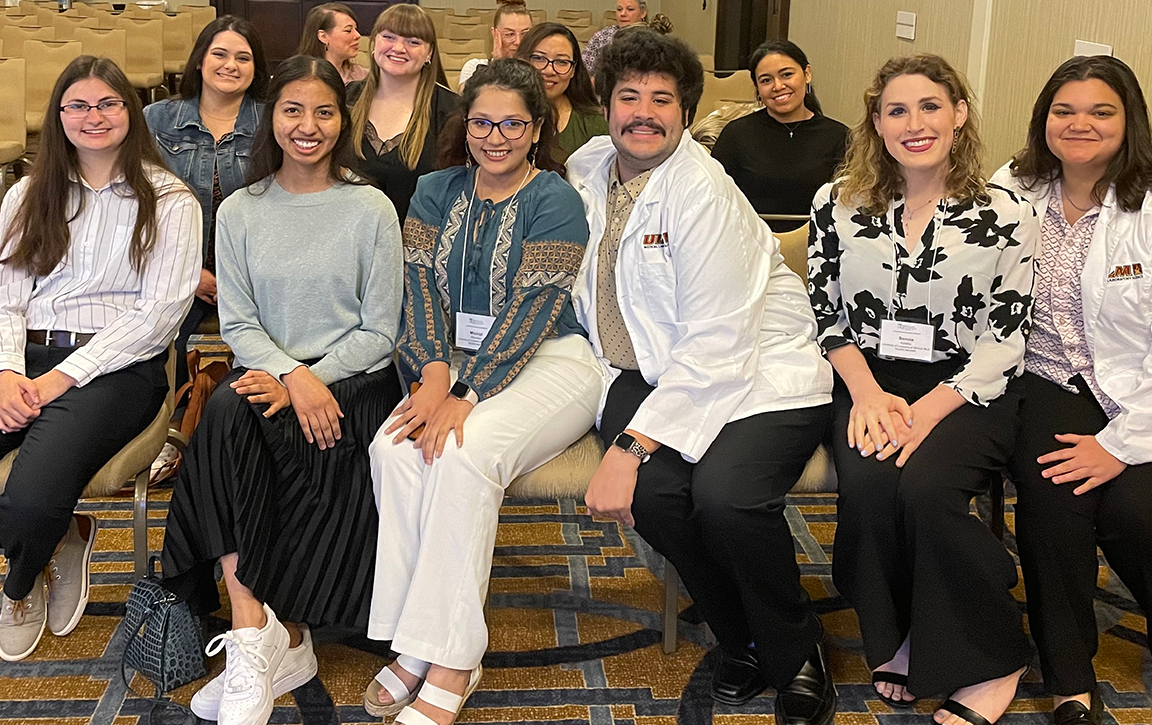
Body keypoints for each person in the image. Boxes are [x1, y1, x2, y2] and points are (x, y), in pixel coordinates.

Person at [571, 30, 837, 725]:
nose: (644, 113)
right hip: (649, 369)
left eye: (663, 99)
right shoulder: (587, 166)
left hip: (759, 370)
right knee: (660, 499)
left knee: (726, 497)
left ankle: (797, 647)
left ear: (687, 112)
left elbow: (718, 343)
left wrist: (629, 448)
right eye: (628, 96)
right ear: (605, 104)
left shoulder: (701, 191)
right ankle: (739, 637)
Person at [993, 55, 1152, 724]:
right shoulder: (1015, 185)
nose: (1080, 123)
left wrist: (1122, 444)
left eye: (1100, 111)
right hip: (1052, 376)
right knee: (1052, 503)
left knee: (1139, 510)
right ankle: (1069, 675)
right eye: (1064, 110)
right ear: (1043, 120)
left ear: (1128, 119)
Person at [160, 55, 403, 725]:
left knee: (238, 416)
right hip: (272, 373)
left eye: (324, 111)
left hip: (352, 381)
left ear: (342, 120)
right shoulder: (240, 209)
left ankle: (278, 638)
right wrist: (294, 379)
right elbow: (236, 323)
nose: (309, 125)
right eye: (293, 109)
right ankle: (254, 627)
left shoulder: (370, 207)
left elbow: (380, 331)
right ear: (273, 118)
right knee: (232, 412)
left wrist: (314, 378)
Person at [360, 58, 604, 725]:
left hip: (554, 360)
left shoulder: (554, 198)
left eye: (512, 124)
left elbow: (533, 309)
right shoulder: (436, 189)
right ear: (463, 124)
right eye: (482, 121)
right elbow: (418, 290)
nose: (495, 136)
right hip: (453, 364)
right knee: (394, 448)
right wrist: (434, 373)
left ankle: (452, 660)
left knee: (463, 453)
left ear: (536, 130)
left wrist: (464, 393)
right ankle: (417, 638)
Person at [808, 54, 1038, 725]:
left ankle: (997, 653)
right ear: (876, 122)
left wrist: (929, 409)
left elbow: (1006, 335)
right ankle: (901, 630)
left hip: (970, 386)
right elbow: (824, 313)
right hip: (868, 377)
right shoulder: (838, 202)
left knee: (924, 488)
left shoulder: (1008, 212)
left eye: (931, 106)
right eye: (897, 110)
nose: (915, 123)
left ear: (959, 113)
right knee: (873, 484)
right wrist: (870, 396)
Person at [0, 56, 199, 661]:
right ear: (58, 115)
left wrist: (62, 378)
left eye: (107, 104)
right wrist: (8, 372)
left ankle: (18, 585)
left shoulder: (169, 200)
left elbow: (157, 317)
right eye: (78, 106)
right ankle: (65, 536)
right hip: (21, 355)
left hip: (117, 365)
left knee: (31, 497)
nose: (94, 117)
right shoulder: (26, 194)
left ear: (130, 112)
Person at [145, 15, 267, 391]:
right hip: (176, 269)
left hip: (255, 273)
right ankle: (174, 421)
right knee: (159, 345)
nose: (230, 65)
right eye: (220, 54)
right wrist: (189, 273)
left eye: (243, 58)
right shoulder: (158, 119)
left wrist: (236, 278)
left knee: (270, 352)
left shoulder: (272, 120)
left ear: (255, 68)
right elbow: (142, 206)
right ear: (200, 60)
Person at [712, 40, 848, 232]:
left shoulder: (839, 136)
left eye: (787, 75)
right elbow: (715, 197)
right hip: (750, 243)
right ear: (757, 87)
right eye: (766, 80)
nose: (778, 86)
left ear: (807, 74)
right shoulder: (736, 134)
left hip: (819, 245)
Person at [347, 4, 459, 224]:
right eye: (389, 36)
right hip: (347, 238)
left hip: (419, 244)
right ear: (374, 43)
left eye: (413, 41)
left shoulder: (452, 111)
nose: (398, 48)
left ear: (429, 53)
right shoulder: (344, 99)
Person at [515, 22, 608, 163]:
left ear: (573, 70)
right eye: (539, 58)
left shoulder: (596, 124)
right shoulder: (499, 118)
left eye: (561, 62)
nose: (549, 71)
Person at [456, 0, 531, 89]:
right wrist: (498, 64)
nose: (518, 42)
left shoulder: (540, 70)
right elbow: (466, 98)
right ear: (495, 34)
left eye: (525, 34)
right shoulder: (474, 67)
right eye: (510, 34)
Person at [298, 3, 367, 84]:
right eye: (348, 30)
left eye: (356, 29)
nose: (358, 35)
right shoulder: (301, 79)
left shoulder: (363, 76)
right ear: (323, 36)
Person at [581, 0, 646, 77]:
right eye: (619, 9)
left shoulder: (652, 39)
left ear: (643, 13)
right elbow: (583, 68)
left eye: (630, 9)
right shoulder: (602, 36)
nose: (623, 14)